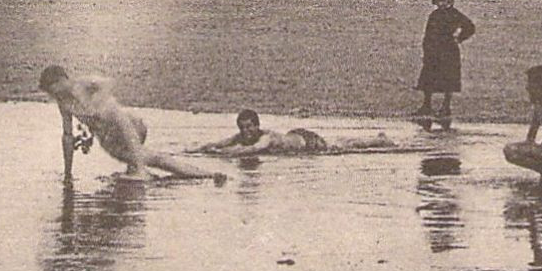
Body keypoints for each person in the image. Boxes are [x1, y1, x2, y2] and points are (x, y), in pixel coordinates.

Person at [38, 65, 218, 180]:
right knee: (154, 160)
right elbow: (67, 137)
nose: (51, 94)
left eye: (52, 89)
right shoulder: (63, 103)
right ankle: (208, 176)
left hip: (128, 126)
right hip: (111, 138)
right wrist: (68, 173)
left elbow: (107, 82)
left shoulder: (83, 84)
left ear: (61, 80)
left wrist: (98, 102)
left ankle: (141, 170)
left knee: (151, 159)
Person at [198, 109, 395, 156]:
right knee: (342, 142)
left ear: (257, 126)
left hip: (307, 142)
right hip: (294, 136)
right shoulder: (241, 136)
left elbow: (255, 149)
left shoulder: (266, 137)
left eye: (249, 127)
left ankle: (378, 140)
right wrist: (199, 149)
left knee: (344, 145)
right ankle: (375, 139)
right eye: (243, 128)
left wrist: (227, 154)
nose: (246, 131)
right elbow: (220, 142)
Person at [415, 0, 475, 128]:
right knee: (428, 78)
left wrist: (459, 38)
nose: (442, 3)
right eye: (439, 1)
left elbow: (470, 27)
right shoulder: (434, 15)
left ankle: (446, 107)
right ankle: (426, 105)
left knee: (449, 79)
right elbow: (428, 33)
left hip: (448, 50)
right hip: (433, 50)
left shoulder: (455, 14)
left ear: (450, 1)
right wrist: (426, 48)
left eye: (445, 1)